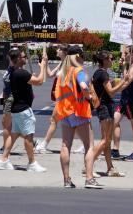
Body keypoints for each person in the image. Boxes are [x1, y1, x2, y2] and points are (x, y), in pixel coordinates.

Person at [0, 46, 48, 173]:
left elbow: (29, 81)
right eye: (24, 56)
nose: (25, 58)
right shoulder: (20, 72)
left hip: (17, 109)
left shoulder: (13, 71)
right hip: (23, 110)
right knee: (28, 137)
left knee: (14, 135)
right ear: (18, 58)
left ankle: (3, 160)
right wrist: (43, 66)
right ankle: (32, 163)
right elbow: (40, 81)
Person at [52, 46, 95, 189]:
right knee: (89, 146)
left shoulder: (62, 73)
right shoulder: (78, 71)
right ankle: (89, 179)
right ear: (78, 57)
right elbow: (83, 85)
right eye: (82, 56)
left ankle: (66, 179)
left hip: (64, 112)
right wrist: (89, 93)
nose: (84, 59)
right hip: (79, 111)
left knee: (65, 145)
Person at [86, 50, 132, 180]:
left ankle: (110, 167)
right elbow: (111, 92)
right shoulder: (103, 74)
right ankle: (88, 165)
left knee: (107, 140)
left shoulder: (99, 73)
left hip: (106, 106)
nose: (112, 60)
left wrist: (124, 82)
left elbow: (114, 90)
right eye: (111, 58)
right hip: (104, 107)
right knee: (105, 140)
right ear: (105, 60)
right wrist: (123, 81)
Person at [112, 45, 133, 161]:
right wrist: (123, 66)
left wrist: (112, 90)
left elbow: (125, 83)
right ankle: (115, 150)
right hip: (124, 100)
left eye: (126, 53)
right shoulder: (129, 66)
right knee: (114, 121)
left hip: (131, 101)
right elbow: (123, 79)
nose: (123, 55)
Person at [36, 45, 67, 154]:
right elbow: (50, 74)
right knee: (74, 122)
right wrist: (46, 63)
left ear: (64, 52)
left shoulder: (68, 65)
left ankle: (44, 145)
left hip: (64, 99)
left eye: (59, 49)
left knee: (54, 120)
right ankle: (86, 144)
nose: (57, 51)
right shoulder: (61, 63)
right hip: (61, 98)